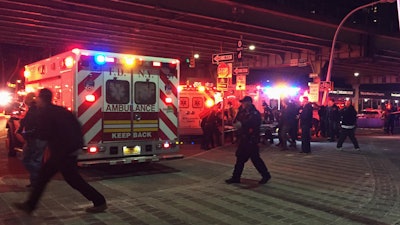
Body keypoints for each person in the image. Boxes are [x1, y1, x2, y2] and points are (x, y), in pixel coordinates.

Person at [14, 88, 107, 214]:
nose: (37, 101)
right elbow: (76, 125)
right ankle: (99, 201)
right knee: (72, 179)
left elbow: (44, 133)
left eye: (38, 99)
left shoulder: (46, 113)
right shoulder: (60, 110)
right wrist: (78, 145)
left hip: (62, 151)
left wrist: (27, 135)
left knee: (45, 176)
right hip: (69, 149)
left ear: (41, 99)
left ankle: (30, 205)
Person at [225, 96, 271, 184]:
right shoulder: (242, 112)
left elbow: (252, 123)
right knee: (240, 158)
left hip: (251, 139)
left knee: (255, 159)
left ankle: (266, 175)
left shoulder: (255, 113)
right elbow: (236, 121)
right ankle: (236, 177)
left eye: (244, 102)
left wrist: (242, 124)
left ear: (249, 102)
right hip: (243, 138)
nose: (242, 104)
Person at [16, 93, 47, 188]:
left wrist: (21, 131)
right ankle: (36, 180)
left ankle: (37, 180)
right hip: (40, 138)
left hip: (34, 138)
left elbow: (27, 122)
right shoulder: (39, 109)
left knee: (28, 160)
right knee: (35, 160)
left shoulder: (32, 110)